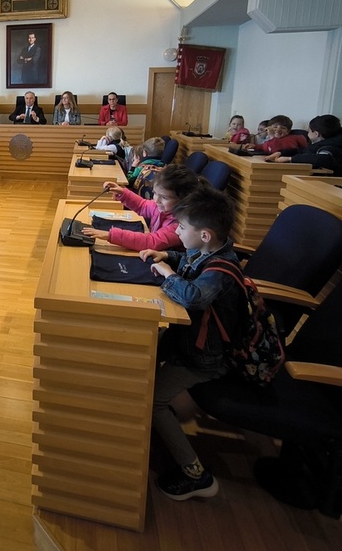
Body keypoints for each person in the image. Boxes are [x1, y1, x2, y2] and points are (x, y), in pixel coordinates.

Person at [138, 188, 243, 501]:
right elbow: (188, 258)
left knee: (154, 400)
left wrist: (169, 273)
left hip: (203, 358)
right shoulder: (210, 251)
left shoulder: (221, 271)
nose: (177, 231)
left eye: (181, 228)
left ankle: (195, 474)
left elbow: (194, 298)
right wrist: (168, 256)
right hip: (185, 343)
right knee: (135, 351)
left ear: (205, 234)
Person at [81, 164, 202, 252]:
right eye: (155, 193)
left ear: (183, 199)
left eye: (164, 197)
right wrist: (122, 192)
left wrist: (110, 235)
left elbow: (151, 242)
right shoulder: (162, 207)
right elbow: (142, 205)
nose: (156, 200)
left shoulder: (181, 225)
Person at [265, 114, 342, 175]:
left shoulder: (331, 147)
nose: (307, 133)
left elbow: (323, 159)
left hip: (332, 184)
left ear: (316, 134)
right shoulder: (321, 143)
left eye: (309, 131)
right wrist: (281, 153)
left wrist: (290, 158)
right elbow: (302, 151)